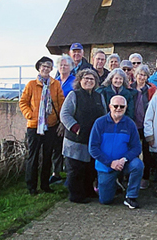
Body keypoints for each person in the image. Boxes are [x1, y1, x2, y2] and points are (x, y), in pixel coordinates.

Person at [19, 56, 65, 195]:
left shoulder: (55, 84)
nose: (46, 68)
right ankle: (31, 186)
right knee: (32, 156)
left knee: (47, 155)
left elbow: (61, 102)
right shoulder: (31, 85)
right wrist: (30, 115)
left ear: (51, 69)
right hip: (34, 126)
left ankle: (45, 184)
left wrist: (60, 120)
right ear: (39, 68)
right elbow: (23, 102)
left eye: (49, 66)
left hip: (51, 125)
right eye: (43, 66)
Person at [89, 95, 144, 209]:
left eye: (122, 106)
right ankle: (113, 185)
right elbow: (93, 148)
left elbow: (136, 147)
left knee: (138, 165)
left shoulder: (130, 124)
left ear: (126, 107)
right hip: (106, 165)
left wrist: (123, 160)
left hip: (124, 163)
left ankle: (131, 196)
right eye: (115, 106)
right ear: (110, 106)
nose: (118, 108)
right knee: (105, 200)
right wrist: (110, 163)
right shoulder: (99, 123)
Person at [60, 68, 106, 203]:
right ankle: (76, 195)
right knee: (76, 169)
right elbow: (65, 114)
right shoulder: (74, 95)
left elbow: (103, 115)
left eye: (92, 79)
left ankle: (88, 191)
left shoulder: (99, 97)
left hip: (92, 139)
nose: (89, 81)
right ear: (80, 80)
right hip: (75, 140)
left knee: (90, 169)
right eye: (86, 78)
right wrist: (75, 127)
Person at [51, 54, 76, 184]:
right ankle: (56, 172)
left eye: (66, 65)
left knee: (67, 146)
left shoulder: (74, 81)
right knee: (56, 146)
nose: (63, 67)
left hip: (69, 118)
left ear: (71, 67)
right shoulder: (55, 82)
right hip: (54, 118)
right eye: (61, 65)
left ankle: (68, 173)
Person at [131, 64, 156, 187]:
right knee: (132, 150)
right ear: (136, 75)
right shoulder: (130, 88)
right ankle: (131, 176)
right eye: (140, 74)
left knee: (146, 152)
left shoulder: (151, 89)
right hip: (132, 124)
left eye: (144, 75)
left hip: (146, 124)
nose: (142, 77)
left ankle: (145, 177)